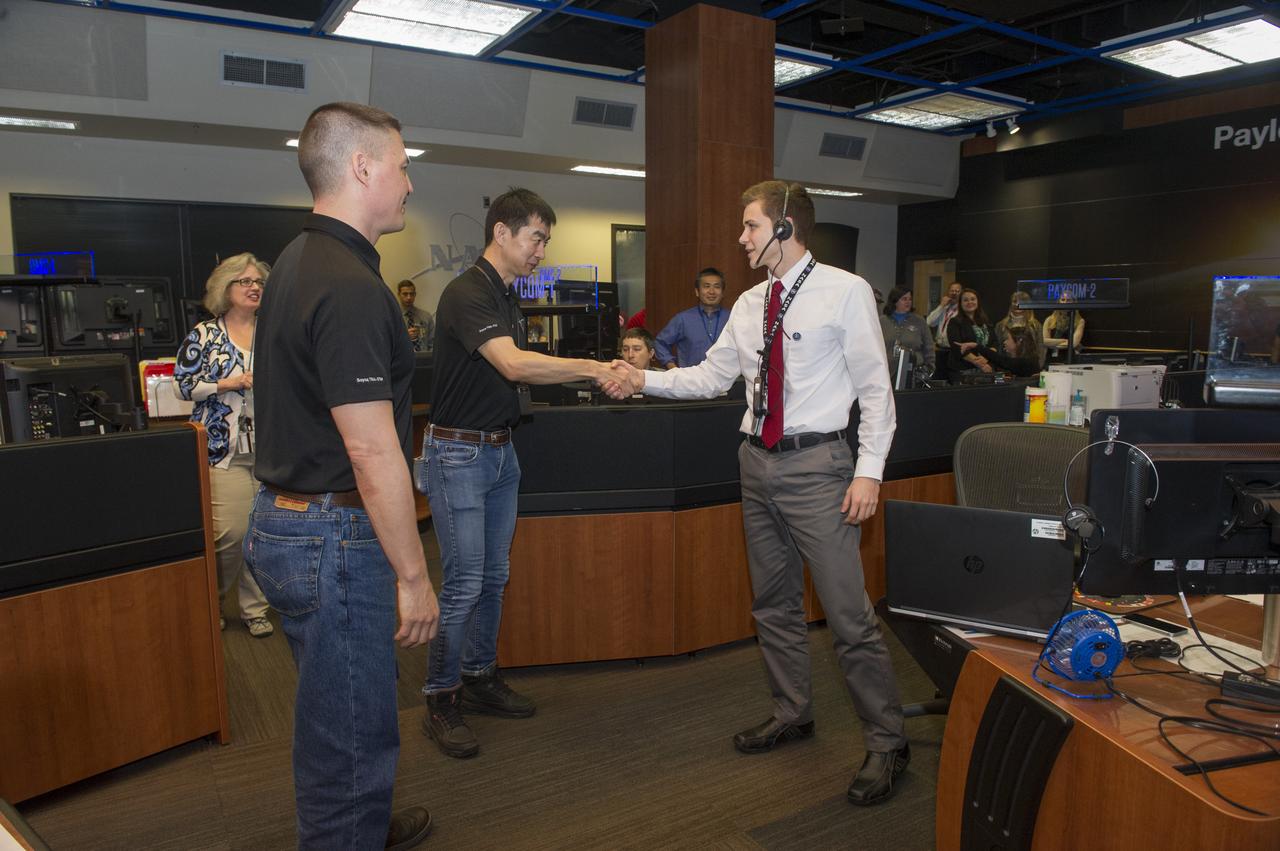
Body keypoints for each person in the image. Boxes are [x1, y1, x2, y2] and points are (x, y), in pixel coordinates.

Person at [614, 181, 909, 806]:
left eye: (750, 227)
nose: (742, 238)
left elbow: (877, 391)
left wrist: (870, 470)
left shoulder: (844, 291)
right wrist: (643, 379)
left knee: (849, 618)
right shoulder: (750, 304)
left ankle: (888, 742)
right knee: (772, 603)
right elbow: (709, 378)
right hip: (756, 461)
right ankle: (793, 711)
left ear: (784, 227)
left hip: (819, 467)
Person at [244, 101, 438, 850]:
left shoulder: (297, 259)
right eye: (401, 163)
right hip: (329, 533)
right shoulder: (350, 284)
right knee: (353, 736)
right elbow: (371, 449)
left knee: (335, 715)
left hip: (286, 522)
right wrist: (414, 574)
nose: (410, 183)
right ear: (362, 168)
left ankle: (358, 823)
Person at [422, 187, 629, 760]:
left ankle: (480, 675)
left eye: (545, 239)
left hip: (499, 451)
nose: (542, 250)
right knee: (464, 583)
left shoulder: (505, 296)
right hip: (459, 453)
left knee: (493, 576)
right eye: (537, 237)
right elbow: (513, 364)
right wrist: (593, 367)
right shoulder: (466, 292)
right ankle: (441, 698)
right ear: (502, 233)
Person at [173, 252, 274, 639]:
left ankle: (255, 608)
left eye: (258, 282)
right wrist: (225, 383)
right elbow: (184, 386)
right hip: (222, 451)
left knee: (262, 534)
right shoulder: (204, 334)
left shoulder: (273, 330)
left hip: (270, 450)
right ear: (225, 288)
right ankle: (211, 600)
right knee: (231, 533)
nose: (253, 288)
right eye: (245, 281)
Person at [654, 268, 728, 368]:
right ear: (697, 291)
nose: (711, 291)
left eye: (717, 287)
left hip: (726, 381)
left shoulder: (732, 318)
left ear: (722, 292)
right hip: (690, 380)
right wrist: (672, 367)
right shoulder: (683, 319)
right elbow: (660, 343)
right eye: (706, 286)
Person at [878, 286, 934, 379]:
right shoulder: (882, 321)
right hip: (886, 374)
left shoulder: (919, 321)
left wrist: (930, 368)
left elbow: (929, 347)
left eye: (910, 299)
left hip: (914, 374)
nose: (908, 302)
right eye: (904, 299)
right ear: (895, 301)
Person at [948, 289, 997, 380]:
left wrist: (986, 358)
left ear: (977, 301)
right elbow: (957, 347)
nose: (969, 302)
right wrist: (979, 363)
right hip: (963, 371)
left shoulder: (986, 321)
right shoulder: (955, 322)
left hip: (987, 368)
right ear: (960, 303)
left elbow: (995, 343)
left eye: (973, 299)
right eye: (965, 300)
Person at [960, 325, 1041, 377]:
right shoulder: (1028, 359)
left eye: (1008, 339)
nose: (1004, 342)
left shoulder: (1027, 361)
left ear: (1019, 341)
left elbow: (1002, 361)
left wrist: (976, 346)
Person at [994, 291, 1042, 365]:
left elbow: (1040, 349)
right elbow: (998, 350)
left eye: (1022, 301)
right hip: (1007, 369)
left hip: (1029, 369)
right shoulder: (1000, 325)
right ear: (1011, 304)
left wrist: (1038, 367)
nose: (1017, 304)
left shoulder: (1036, 325)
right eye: (1014, 301)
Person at [1043, 292, 1085, 361]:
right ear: (1059, 301)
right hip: (1051, 359)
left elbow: (1073, 344)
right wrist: (1065, 341)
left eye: (1068, 300)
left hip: (1069, 359)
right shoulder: (1049, 320)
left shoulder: (1080, 321)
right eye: (1063, 299)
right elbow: (1044, 341)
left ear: (1074, 303)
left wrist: (1052, 344)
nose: (1065, 302)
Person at [398, 279, 435, 353]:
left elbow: (433, 343)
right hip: (402, 359)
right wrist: (404, 337)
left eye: (411, 294)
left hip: (424, 359)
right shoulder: (394, 317)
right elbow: (389, 343)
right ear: (399, 295)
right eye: (405, 294)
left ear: (415, 295)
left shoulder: (426, 317)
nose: (409, 297)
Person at [926, 281, 963, 348]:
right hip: (939, 347)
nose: (954, 293)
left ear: (961, 294)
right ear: (948, 293)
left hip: (954, 349)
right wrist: (941, 306)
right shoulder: (943, 308)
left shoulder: (962, 311)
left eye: (957, 291)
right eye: (952, 291)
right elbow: (929, 322)